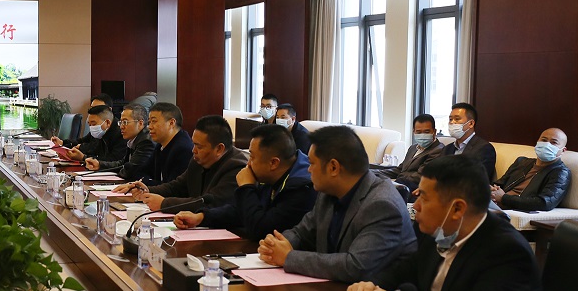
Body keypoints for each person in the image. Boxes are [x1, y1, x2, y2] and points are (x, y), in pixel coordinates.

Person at [347, 155, 549, 291]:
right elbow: (404, 270)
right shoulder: (442, 230)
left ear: (457, 209)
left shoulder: (506, 251)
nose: (416, 206)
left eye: (424, 198)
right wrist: (369, 287)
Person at [258, 125, 416, 282]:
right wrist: (277, 245)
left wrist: (289, 257)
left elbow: (355, 266)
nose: (308, 169)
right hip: (333, 288)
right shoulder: (328, 192)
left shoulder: (381, 205)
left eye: (312, 163)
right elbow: (302, 233)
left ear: (333, 167)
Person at [174, 124, 316, 241]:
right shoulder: (271, 175)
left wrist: (246, 187)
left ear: (273, 163)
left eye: (252, 157)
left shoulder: (302, 188)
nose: (248, 164)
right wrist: (201, 217)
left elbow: (261, 230)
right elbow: (239, 211)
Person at [125, 115, 246, 211]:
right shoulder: (198, 160)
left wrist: (164, 203)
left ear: (219, 149)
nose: (193, 150)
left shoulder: (236, 167)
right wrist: (148, 190)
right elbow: (176, 186)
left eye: (199, 146)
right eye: (194, 144)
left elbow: (211, 203)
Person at [490, 127, 570, 212]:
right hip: (494, 204)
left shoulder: (561, 173)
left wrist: (504, 198)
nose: (547, 144)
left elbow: (544, 203)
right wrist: (491, 189)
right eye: (544, 140)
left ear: (563, 150)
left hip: (513, 210)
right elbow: (500, 183)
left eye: (554, 142)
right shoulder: (522, 162)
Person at [122, 102, 192, 187]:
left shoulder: (183, 149)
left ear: (171, 123)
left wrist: (145, 183)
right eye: (149, 122)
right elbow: (141, 172)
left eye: (154, 121)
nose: (149, 127)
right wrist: (147, 182)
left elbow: (173, 187)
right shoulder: (160, 145)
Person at [85, 103, 155, 181]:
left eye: (125, 122)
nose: (121, 127)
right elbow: (123, 164)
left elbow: (130, 171)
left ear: (140, 123)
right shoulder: (133, 139)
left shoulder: (146, 142)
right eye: (120, 122)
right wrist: (99, 165)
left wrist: (120, 171)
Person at [374, 113, 444, 191]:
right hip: (402, 184)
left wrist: (396, 181)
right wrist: (373, 173)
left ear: (434, 132)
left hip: (416, 188)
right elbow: (399, 170)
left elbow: (420, 176)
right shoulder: (413, 148)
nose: (422, 135)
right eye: (418, 132)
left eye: (426, 132)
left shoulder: (438, 150)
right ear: (414, 132)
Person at [443, 102, 496, 180]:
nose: (452, 122)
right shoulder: (447, 148)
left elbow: (478, 179)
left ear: (471, 123)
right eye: (450, 119)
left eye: (457, 119)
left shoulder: (484, 149)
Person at [62, 105, 127, 164]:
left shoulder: (121, 134)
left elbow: (113, 161)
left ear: (107, 122)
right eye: (89, 124)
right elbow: (93, 151)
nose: (91, 128)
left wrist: (83, 158)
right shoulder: (100, 132)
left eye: (93, 124)